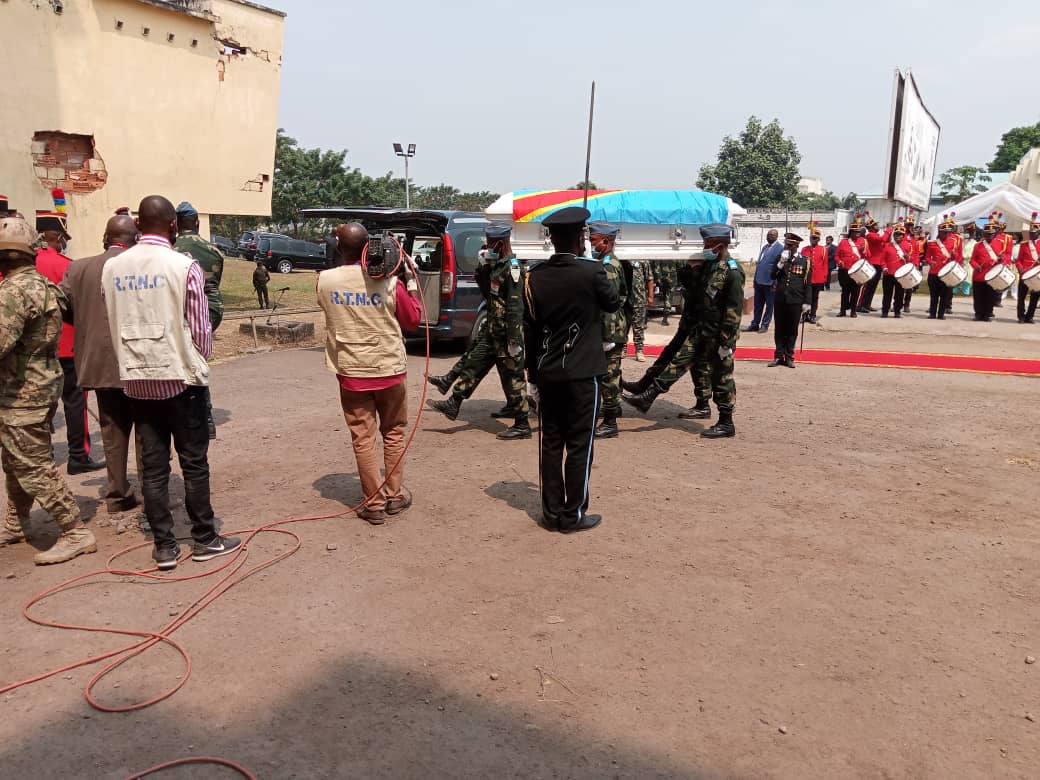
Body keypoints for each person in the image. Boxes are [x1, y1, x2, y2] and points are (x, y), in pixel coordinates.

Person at [102, 195, 240, 571]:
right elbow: (201, 330)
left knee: (154, 464)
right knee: (194, 463)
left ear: (137, 225)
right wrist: (198, 358)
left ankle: (164, 546)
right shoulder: (184, 266)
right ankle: (205, 538)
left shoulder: (113, 269)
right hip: (182, 380)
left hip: (136, 379)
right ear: (173, 227)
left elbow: (112, 315)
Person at [0, 216, 98, 565]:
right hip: (40, 385)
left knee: (31, 464)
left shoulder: (13, 292)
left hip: (20, 392)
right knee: (14, 461)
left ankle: (74, 530)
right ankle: (16, 521)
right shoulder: (41, 285)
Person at [522, 206, 619, 532]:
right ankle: (572, 514)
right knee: (579, 445)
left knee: (551, 443)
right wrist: (595, 265)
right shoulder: (592, 273)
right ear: (581, 239)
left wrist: (531, 377)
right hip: (582, 374)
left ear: (552, 239)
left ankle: (551, 513)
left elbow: (531, 331)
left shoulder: (533, 276)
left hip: (548, 373)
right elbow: (613, 302)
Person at [316, 223, 421, 525]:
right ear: (369, 248)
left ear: (339, 248)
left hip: (351, 373)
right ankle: (395, 495)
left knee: (363, 437)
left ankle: (373, 504)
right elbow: (413, 320)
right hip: (389, 370)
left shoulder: (324, 281)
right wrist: (410, 282)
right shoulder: (389, 282)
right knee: (394, 433)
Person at [623, 224, 744, 438]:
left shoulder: (732, 272)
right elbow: (696, 290)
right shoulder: (711, 266)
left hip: (718, 335)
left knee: (721, 377)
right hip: (702, 329)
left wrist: (726, 342)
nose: (704, 247)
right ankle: (647, 395)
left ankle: (727, 422)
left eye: (708, 244)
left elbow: (734, 311)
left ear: (721, 245)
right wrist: (690, 269)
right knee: (678, 361)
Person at [59, 214, 141, 514]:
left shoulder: (78, 268)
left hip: (99, 363)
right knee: (147, 429)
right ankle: (153, 492)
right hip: (139, 363)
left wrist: (85, 325)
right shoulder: (141, 265)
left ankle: (118, 493)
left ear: (105, 239)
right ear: (135, 239)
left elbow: (62, 306)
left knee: (112, 429)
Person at [428, 223, 531, 440]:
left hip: (506, 334)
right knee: (476, 363)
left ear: (501, 243)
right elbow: (488, 293)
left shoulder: (512, 268)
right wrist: (483, 267)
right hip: (493, 330)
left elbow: (515, 306)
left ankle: (522, 425)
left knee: (513, 376)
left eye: (491, 242)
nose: (488, 245)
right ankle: (453, 402)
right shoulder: (498, 265)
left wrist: (514, 339)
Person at [34, 210, 103, 475]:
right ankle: (78, 456)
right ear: (56, 235)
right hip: (67, 344)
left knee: (40, 404)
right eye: (63, 237)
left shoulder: (23, 265)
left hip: (36, 349)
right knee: (75, 402)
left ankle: (43, 456)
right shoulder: (66, 265)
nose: (64, 242)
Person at [621, 250, 709, 418]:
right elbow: (689, 286)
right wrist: (691, 268)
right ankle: (644, 385)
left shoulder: (723, 271)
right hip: (690, 323)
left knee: (681, 362)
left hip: (705, 328)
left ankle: (649, 395)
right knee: (671, 355)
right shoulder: (699, 270)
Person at [174, 201, 224, 439]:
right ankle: (206, 417)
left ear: (175, 223)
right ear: (196, 222)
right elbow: (214, 287)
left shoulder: (169, 249)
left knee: (179, 366)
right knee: (198, 361)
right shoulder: (212, 250)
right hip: (210, 313)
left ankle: (188, 415)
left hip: (179, 313)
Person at [770, 232, 810, 367]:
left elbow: (808, 284)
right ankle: (778, 356)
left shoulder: (805, 261)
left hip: (796, 300)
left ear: (796, 246)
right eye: (786, 245)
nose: (787, 248)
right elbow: (772, 276)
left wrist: (807, 302)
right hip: (780, 299)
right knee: (779, 329)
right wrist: (781, 263)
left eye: (790, 245)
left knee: (792, 330)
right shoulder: (780, 258)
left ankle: (789, 357)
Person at [923, 213, 960, 320]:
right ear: (940, 232)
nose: (947, 234)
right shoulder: (933, 243)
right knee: (934, 296)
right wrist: (930, 262)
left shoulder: (954, 243)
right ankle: (932, 313)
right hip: (934, 273)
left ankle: (941, 314)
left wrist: (954, 255)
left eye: (948, 232)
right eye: (945, 232)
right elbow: (927, 257)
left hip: (947, 273)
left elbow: (956, 259)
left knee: (945, 295)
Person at [746, 229, 781, 333]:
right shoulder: (765, 247)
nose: (769, 236)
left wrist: (775, 282)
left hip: (770, 282)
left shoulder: (780, 248)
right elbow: (760, 264)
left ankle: (765, 324)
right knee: (757, 305)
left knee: (769, 306)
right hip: (759, 281)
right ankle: (755, 324)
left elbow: (779, 267)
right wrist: (755, 279)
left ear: (776, 236)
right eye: (768, 235)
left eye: (771, 235)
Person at [836, 216, 870, 317]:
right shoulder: (843, 242)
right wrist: (839, 262)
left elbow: (868, 256)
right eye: (856, 231)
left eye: (859, 231)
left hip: (857, 272)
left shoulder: (863, 241)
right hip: (845, 270)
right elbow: (836, 256)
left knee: (855, 291)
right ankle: (843, 311)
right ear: (851, 232)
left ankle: (853, 311)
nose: (858, 233)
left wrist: (863, 250)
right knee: (845, 292)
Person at [969, 215, 1001, 322]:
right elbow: (972, 260)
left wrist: (1001, 259)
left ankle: (987, 314)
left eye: (992, 234)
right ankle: (978, 314)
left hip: (992, 275)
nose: (990, 236)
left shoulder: (999, 244)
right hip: (979, 275)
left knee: (990, 296)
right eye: (987, 234)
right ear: (984, 234)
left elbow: (1005, 258)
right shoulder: (978, 246)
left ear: (994, 234)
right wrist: (976, 266)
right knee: (978, 297)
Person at [880, 220, 914, 318]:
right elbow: (882, 260)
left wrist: (908, 258)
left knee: (899, 295)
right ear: (893, 235)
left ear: (903, 236)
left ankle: (897, 311)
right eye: (896, 234)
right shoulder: (887, 246)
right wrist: (884, 268)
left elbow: (911, 261)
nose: (898, 236)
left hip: (901, 275)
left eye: (900, 235)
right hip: (889, 273)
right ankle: (885, 311)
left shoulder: (908, 246)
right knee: (887, 294)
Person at [624, 255, 651, 362]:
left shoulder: (643, 259)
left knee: (639, 327)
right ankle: (623, 349)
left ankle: (639, 351)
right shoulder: (622, 259)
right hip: (624, 299)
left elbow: (649, 279)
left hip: (639, 299)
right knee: (624, 326)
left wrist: (650, 296)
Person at [859, 213, 887, 313]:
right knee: (868, 285)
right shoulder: (870, 235)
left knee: (873, 286)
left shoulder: (876, 234)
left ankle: (867, 304)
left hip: (879, 263)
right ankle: (861, 304)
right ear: (870, 227)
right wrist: (888, 231)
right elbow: (882, 239)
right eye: (875, 225)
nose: (877, 226)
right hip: (872, 262)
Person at [1016, 213, 1040, 323]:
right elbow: (1019, 260)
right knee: (1021, 297)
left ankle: (1029, 317)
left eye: (1033, 233)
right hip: (1024, 273)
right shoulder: (1024, 245)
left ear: (1038, 232)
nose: (1031, 234)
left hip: (1036, 274)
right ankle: (1021, 316)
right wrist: (1020, 269)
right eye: (1030, 232)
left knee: (1034, 297)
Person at [802, 223, 828, 323]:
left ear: (819, 239)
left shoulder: (823, 250)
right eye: (812, 238)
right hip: (806, 278)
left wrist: (824, 277)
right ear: (810, 238)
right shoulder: (805, 249)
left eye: (816, 238)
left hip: (818, 278)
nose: (814, 240)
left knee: (814, 298)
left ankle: (813, 315)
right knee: (805, 297)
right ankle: (805, 315)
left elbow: (825, 264)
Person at [655, 260, 679, 326]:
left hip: (663, 279)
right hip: (672, 279)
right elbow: (679, 266)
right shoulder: (675, 255)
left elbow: (657, 268)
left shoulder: (662, 253)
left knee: (665, 297)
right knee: (668, 298)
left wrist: (658, 279)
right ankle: (665, 319)